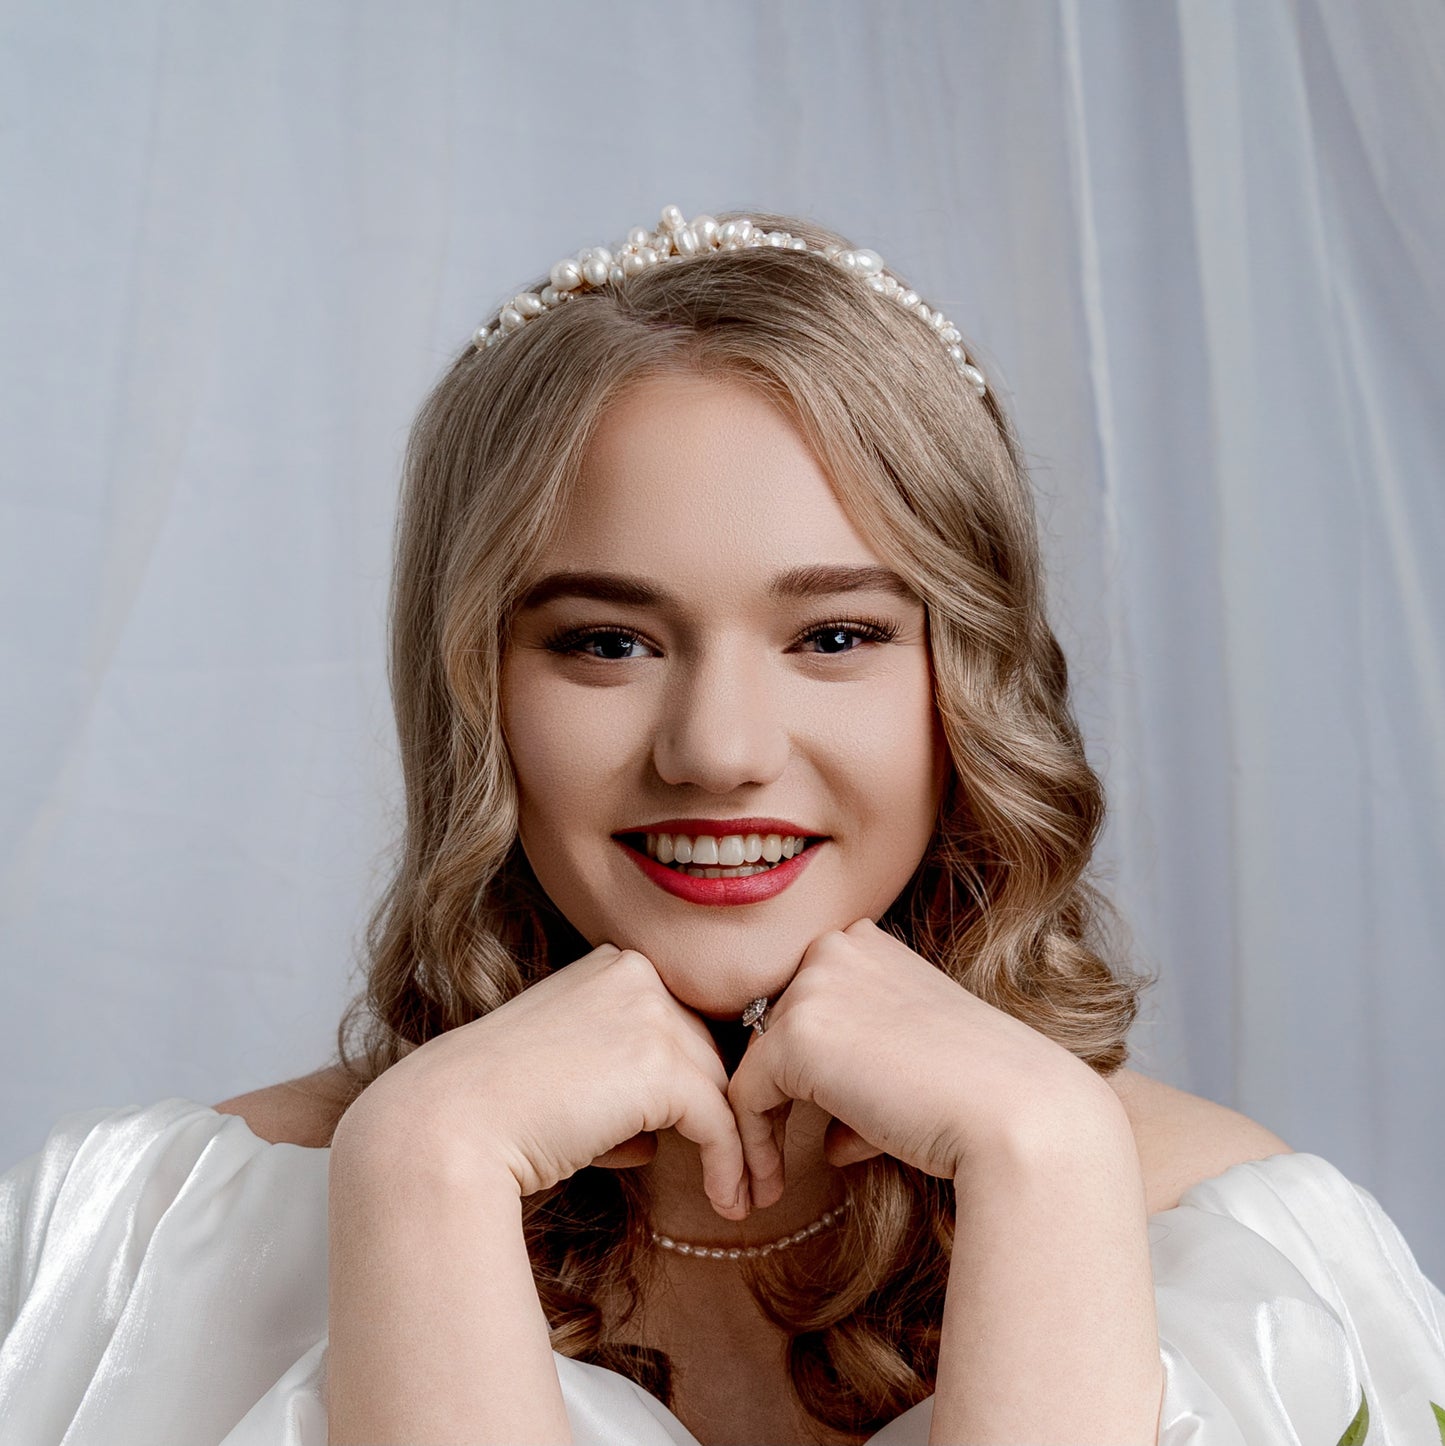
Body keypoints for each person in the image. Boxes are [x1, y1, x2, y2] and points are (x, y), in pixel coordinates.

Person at [0, 207, 1441, 1446]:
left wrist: (1047, 1163)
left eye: (831, 633)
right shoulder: (141, 1251)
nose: (719, 750)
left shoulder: (1252, 1259)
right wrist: (423, 1170)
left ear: (972, 676)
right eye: (606, 643)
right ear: (470, 686)